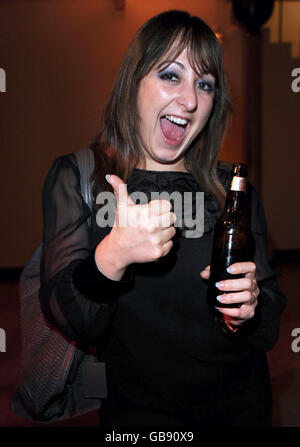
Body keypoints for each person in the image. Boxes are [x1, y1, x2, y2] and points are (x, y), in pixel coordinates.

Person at [39, 10, 286, 427]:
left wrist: (251, 307)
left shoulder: (233, 190)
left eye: (204, 84)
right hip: (138, 419)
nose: (190, 100)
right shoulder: (81, 178)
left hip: (240, 409)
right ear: (133, 82)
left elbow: (269, 324)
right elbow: (75, 323)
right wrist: (110, 258)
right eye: (171, 75)